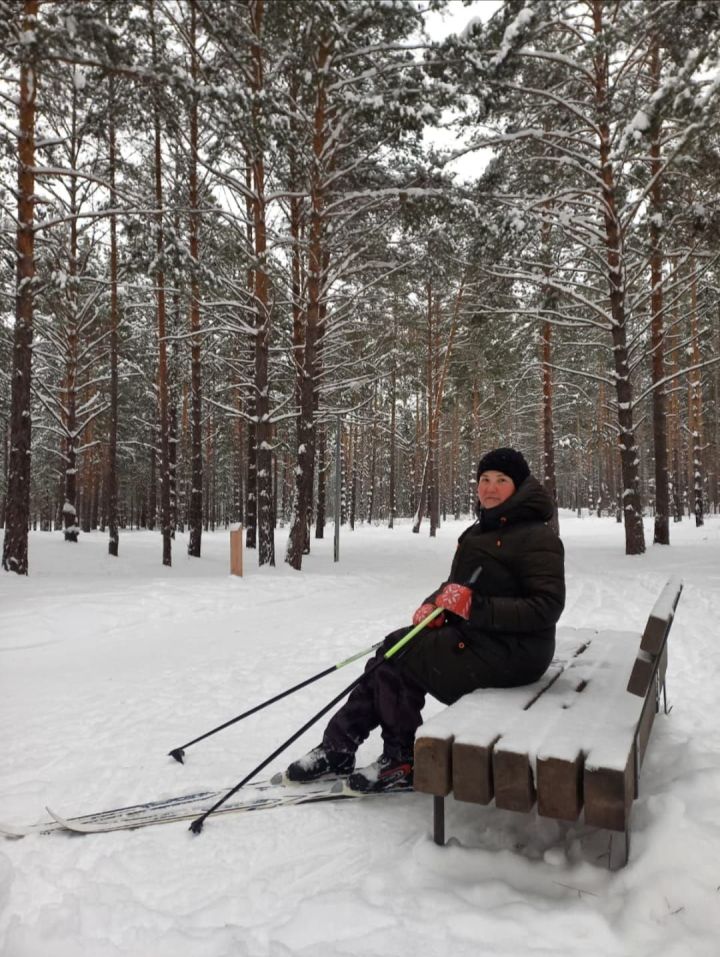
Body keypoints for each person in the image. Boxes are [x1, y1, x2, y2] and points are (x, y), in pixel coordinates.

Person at [284, 447, 565, 793]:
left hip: (516, 653)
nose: (490, 488)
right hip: (482, 638)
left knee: (402, 657)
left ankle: (399, 758)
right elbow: (458, 587)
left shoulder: (537, 537)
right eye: (485, 480)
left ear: (519, 486)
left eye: (501, 481)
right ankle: (339, 747)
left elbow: (546, 607)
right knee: (395, 644)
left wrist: (472, 607)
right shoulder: (480, 531)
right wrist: (434, 604)